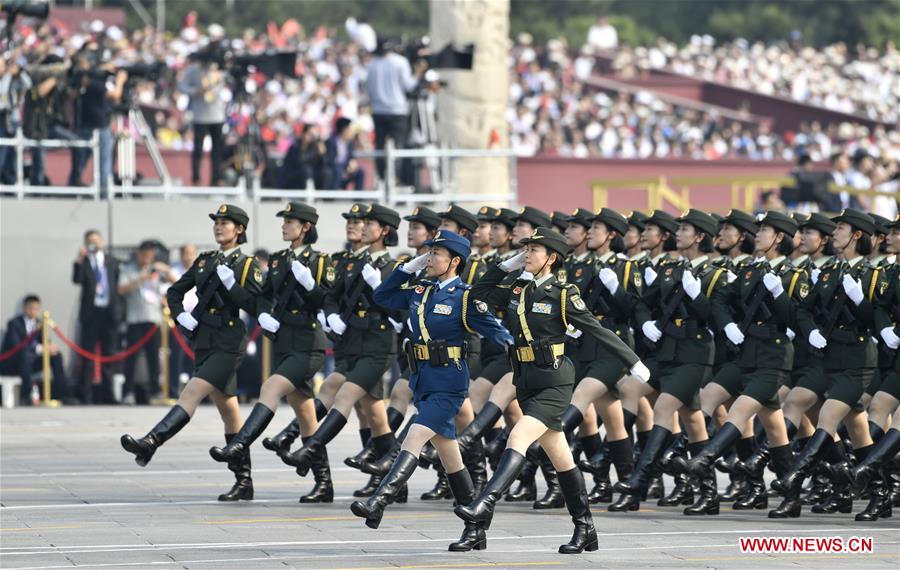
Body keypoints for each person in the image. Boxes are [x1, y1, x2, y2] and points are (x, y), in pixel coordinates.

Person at [457, 226, 647, 554]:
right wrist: (505, 266)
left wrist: (632, 361)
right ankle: (585, 527)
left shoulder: (562, 293)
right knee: (561, 457)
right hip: (525, 377)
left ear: (552, 258)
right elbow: (477, 295)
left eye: (534, 250)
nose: (527, 254)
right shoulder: (518, 288)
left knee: (518, 437)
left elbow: (595, 328)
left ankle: (484, 504)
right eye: (526, 249)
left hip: (554, 381)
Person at [352, 230, 512, 552]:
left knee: (414, 434)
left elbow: (500, 334)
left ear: (454, 262)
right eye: (428, 252)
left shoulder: (464, 298)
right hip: (423, 381)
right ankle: (476, 528)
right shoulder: (421, 289)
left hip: (449, 386)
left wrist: (524, 356)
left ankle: (379, 500)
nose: (429, 258)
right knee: (452, 459)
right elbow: (382, 296)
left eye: (436, 254)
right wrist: (408, 267)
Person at [120, 204, 263, 502]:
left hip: (229, 340)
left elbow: (256, 306)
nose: (219, 226)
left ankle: (151, 441)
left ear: (239, 230)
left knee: (192, 391)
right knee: (229, 410)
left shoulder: (247, 265)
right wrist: (179, 316)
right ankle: (244, 480)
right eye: (216, 222)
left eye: (225, 223)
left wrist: (232, 286)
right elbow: (174, 291)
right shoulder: (204, 261)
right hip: (204, 339)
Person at [210, 202, 335, 503]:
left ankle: (239, 444)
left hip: (308, 342)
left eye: (290, 222)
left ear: (305, 226)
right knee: (306, 413)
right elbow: (263, 297)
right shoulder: (278, 260)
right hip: (283, 341)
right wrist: (264, 313)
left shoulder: (319, 260)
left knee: (271, 387)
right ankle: (324, 483)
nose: (284, 226)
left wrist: (310, 284)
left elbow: (328, 300)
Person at [770, 208, 887, 518]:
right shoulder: (829, 271)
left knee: (827, 417)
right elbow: (804, 310)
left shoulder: (874, 274)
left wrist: (861, 301)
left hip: (857, 360)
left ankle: (793, 476)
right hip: (828, 357)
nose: (834, 233)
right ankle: (877, 492)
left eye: (841, 228)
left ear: (857, 235)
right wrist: (810, 333)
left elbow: (877, 319)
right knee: (857, 430)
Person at [281, 205, 404, 481]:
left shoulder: (394, 268)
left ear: (384, 231)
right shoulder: (352, 263)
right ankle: (391, 479)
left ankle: (310, 449)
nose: (362, 227)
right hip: (352, 343)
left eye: (369, 223)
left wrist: (380, 288)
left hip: (378, 345)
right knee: (374, 414)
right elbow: (332, 296)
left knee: (346, 394)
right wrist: (332, 315)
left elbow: (401, 309)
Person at [117, 240, 176, 404]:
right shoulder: (128, 269)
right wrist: (140, 279)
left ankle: (155, 392)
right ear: (138, 254)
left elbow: (176, 283)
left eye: (150, 256)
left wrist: (165, 269)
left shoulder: (156, 270)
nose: (146, 259)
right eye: (144, 255)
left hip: (154, 319)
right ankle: (127, 392)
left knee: (153, 358)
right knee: (131, 358)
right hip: (135, 318)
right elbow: (121, 289)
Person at [365, 37, 425, 182]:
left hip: (379, 111)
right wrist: (418, 73)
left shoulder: (372, 64)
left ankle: (381, 176)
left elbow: (369, 89)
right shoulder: (400, 62)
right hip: (397, 110)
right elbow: (409, 86)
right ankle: (395, 176)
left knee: (379, 145)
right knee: (398, 146)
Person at [72, 229, 120, 404]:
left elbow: (116, 283)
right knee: (87, 355)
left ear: (101, 241)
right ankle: (85, 395)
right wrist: (79, 259)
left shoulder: (111, 261)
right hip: (90, 314)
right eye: (89, 241)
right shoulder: (83, 261)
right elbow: (77, 280)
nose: (93, 243)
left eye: (95, 240)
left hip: (108, 313)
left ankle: (109, 395)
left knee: (109, 354)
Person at [69, 54, 127, 195]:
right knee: (104, 164)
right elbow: (115, 96)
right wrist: (120, 81)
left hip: (84, 126)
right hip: (99, 127)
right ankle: (104, 194)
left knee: (80, 163)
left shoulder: (78, 82)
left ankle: (72, 189)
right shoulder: (92, 83)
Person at [179, 28, 228, 186]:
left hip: (217, 113)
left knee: (217, 149)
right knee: (198, 149)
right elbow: (181, 86)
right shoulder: (194, 69)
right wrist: (195, 92)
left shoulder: (218, 71)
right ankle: (196, 178)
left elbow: (224, 87)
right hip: (200, 113)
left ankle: (216, 178)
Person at [0, 295, 70, 404]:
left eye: (36, 309)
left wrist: (50, 347)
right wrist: (39, 348)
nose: (33, 311)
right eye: (31, 308)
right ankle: (26, 396)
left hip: (31, 362)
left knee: (56, 356)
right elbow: (17, 346)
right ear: (24, 308)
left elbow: (44, 341)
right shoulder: (14, 324)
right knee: (25, 355)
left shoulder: (39, 323)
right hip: (14, 363)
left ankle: (62, 394)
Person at [0, 55, 32, 185]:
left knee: (13, 154)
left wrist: (20, 70)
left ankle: (11, 181)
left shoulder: (16, 80)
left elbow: (28, 85)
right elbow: (3, 92)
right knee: (2, 153)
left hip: (14, 120)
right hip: (2, 120)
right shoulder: (5, 80)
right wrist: (7, 75)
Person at [326, 117, 365, 189]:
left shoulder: (350, 143)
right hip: (335, 168)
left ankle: (359, 198)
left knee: (360, 172)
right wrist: (343, 169)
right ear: (344, 130)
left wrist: (352, 163)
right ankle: (333, 197)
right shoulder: (331, 141)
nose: (352, 132)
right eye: (350, 129)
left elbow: (351, 157)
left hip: (346, 167)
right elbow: (330, 160)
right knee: (337, 170)